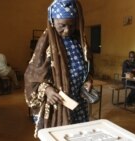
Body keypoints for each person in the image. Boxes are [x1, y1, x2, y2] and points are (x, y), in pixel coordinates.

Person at [24, 0, 92, 138]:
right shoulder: (45, 44)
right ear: (52, 21)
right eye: (62, 25)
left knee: (77, 135)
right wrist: (47, 90)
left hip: (78, 102)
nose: (67, 30)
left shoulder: (80, 40)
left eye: (72, 25)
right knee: (60, 136)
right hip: (58, 104)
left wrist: (88, 80)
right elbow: (31, 77)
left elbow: (88, 66)